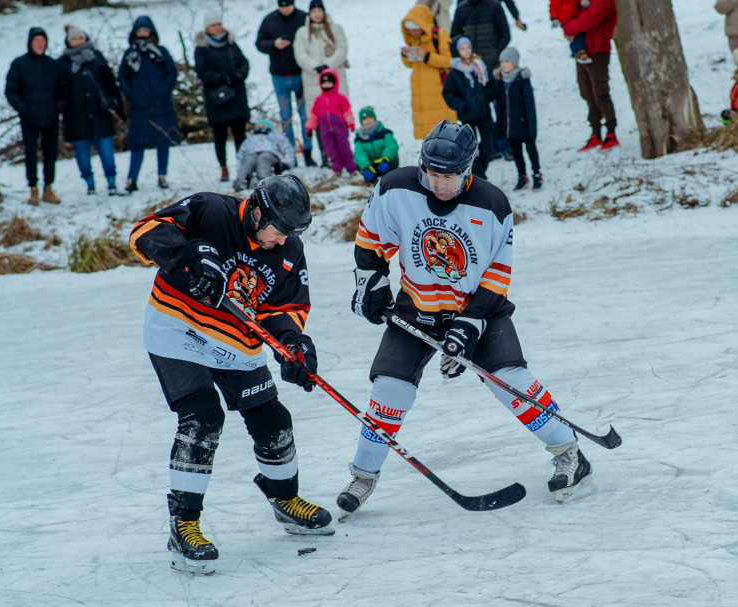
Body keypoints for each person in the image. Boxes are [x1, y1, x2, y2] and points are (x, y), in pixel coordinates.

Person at [340, 121, 593, 518]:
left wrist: (467, 325)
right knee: (389, 391)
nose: (439, 185)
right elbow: (371, 241)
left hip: (479, 308)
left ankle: (569, 454)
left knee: (510, 381)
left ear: (469, 168)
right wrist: (370, 283)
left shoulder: (492, 204)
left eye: (449, 176)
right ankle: (363, 476)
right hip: (417, 306)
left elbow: (496, 275)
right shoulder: (396, 189)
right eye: (433, 174)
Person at [128, 174, 333, 575]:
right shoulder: (212, 209)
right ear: (257, 212)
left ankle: (285, 501)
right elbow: (144, 231)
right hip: (178, 330)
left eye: (292, 232)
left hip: (237, 345)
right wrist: (186, 256)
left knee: (274, 420)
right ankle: (183, 524)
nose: (282, 239)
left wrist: (293, 345)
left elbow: (284, 309)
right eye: (280, 230)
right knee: (203, 417)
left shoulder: (289, 249)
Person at [58, 24, 123, 196]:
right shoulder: (63, 63)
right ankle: (89, 183)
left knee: (107, 153)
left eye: (80, 37)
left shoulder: (97, 57)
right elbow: (60, 90)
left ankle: (111, 182)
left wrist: (116, 105)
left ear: (85, 38)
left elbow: (110, 82)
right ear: (68, 41)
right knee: (82, 156)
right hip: (76, 119)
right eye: (74, 39)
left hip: (100, 115)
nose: (78, 41)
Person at [119, 15, 181, 191]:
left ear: (151, 32)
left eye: (146, 30)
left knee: (163, 141)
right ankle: (132, 179)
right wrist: (131, 94)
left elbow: (171, 73)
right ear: (134, 33)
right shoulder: (130, 54)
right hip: (139, 107)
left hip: (162, 105)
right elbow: (122, 76)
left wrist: (164, 90)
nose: (143, 33)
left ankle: (162, 176)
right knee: (137, 144)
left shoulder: (160, 52)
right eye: (139, 30)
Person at [5, 27, 64, 206]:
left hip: (50, 117)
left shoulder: (53, 65)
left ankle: (48, 187)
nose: (40, 44)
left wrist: (56, 108)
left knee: (50, 153)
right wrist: (24, 109)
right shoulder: (19, 64)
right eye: (36, 41)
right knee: (31, 153)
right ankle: (33, 188)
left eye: (42, 40)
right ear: (30, 43)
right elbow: (11, 91)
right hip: (29, 118)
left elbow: (63, 90)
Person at [194, 10, 251, 183]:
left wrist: (239, 74)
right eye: (213, 25)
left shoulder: (231, 43)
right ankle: (224, 167)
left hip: (236, 96)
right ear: (207, 28)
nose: (217, 28)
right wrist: (221, 79)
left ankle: (243, 166)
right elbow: (202, 71)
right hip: (216, 97)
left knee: (240, 134)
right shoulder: (202, 48)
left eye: (218, 24)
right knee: (220, 135)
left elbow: (244, 63)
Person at [257, 0, 313, 166]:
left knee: (305, 116)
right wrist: (274, 44)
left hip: (301, 74)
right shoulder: (269, 20)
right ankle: (291, 155)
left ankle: (308, 152)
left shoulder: (304, 17)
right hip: (279, 76)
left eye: (288, 5)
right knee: (285, 117)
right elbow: (260, 43)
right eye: (282, 6)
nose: (285, 9)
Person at [561, 0, 618, 151]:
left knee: (600, 93)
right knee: (587, 93)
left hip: (598, 51)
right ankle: (595, 133)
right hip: (582, 51)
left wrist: (568, 28)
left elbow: (587, 20)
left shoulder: (604, 2)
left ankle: (611, 132)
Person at [401, 3, 457, 139]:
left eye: (415, 30)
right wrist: (405, 55)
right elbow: (409, 64)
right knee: (428, 135)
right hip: (420, 93)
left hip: (438, 90)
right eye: (410, 31)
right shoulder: (413, 40)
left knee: (443, 132)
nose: (413, 33)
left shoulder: (439, 36)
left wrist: (427, 56)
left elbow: (449, 61)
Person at [442, 35, 494, 179]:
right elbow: (448, 93)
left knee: (488, 143)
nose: (466, 51)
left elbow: (490, 84)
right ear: (457, 51)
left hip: (484, 113)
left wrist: (487, 96)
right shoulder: (455, 72)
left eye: (468, 47)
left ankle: (480, 171)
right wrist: (462, 105)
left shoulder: (480, 66)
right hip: (467, 115)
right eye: (462, 48)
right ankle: (480, 175)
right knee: (470, 147)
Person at [293, 1, 350, 129]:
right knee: (318, 116)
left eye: (319, 11)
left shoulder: (335, 29)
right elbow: (300, 54)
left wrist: (328, 65)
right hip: (312, 78)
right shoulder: (302, 32)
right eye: (314, 11)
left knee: (339, 113)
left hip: (335, 74)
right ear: (310, 14)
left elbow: (342, 49)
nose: (317, 14)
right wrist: (315, 67)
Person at [492, 47, 540, 190]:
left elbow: (530, 106)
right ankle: (522, 176)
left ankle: (537, 174)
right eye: (501, 61)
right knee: (517, 152)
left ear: (514, 62)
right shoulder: (500, 82)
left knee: (531, 149)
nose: (503, 65)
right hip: (510, 125)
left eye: (507, 61)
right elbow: (499, 107)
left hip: (524, 124)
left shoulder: (522, 80)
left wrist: (532, 127)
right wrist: (500, 127)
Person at [304, 69, 357, 174]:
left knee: (344, 148)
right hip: (325, 131)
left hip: (340, 129)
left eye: (329, 82)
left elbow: (347, 111)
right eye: (324, 83)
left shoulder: (340, 98)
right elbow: (314, 115)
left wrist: (350, 123)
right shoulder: (319, 99)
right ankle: (337, 169)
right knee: (330, 150)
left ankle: (351, 168)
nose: (327, 85)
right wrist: (310, 127)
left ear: (335, 82)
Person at [232, 119, 296, 191]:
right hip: (252, 154)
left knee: (263, 158)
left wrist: (286, 163)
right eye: (260, 125)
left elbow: (287, 149)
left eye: (264, 125)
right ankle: (242, 181)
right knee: (248, 159)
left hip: (270, 154)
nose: (261, 127)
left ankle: (264, 183)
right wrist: (238, 167)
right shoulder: (250, 138)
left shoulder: (276, 136)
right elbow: (241, 154)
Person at [450, 0, 510, 71]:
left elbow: (505, 35)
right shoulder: (461, 8)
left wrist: (495, 52)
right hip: (469, 67)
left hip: (492, 66)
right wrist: (463, 54)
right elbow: (454, 37)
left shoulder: (494, 6)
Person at [353, 106, 400, 183]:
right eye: (364, 119)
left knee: (393, 159)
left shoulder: (384, 132)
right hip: (372, 165)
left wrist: (386, 158)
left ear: (374, 118)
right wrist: (366, 166)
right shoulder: (359, 137)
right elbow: (359, 153)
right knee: (359, 165)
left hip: (385, 162)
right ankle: (371, 178)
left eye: (370, 118)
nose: (367, 121)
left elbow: (391, 146)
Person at [550, 0, 594, 64]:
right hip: (566, 16)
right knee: (576, 32)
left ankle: (576, 50)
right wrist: (554, 18)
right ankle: (579, 51)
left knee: (579, 31)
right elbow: (553, 6)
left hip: (577, 14)